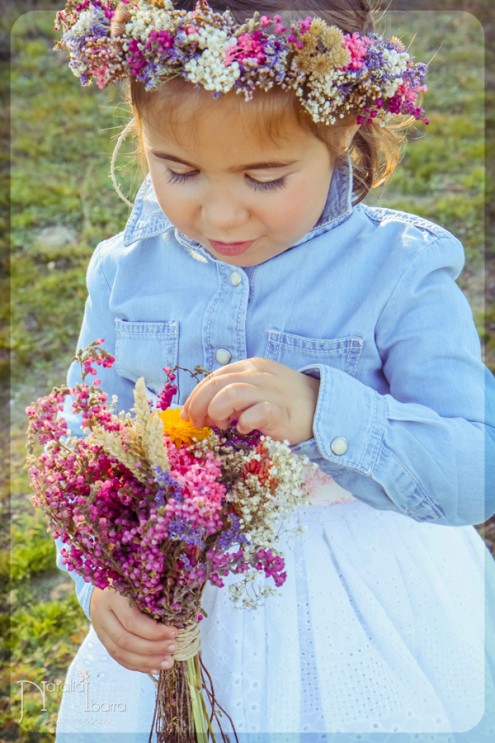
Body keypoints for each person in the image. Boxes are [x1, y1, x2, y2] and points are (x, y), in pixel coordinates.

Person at [53, 0, 495, 740]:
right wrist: (98, 579)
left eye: (264, 177)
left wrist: (326, 411)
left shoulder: (399, 272)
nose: (222, 216)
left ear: (342, 133)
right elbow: (86, 444)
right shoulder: (124, 273)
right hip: (177, 612)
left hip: (363, 611)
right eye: (179, 169)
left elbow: (474, 466)